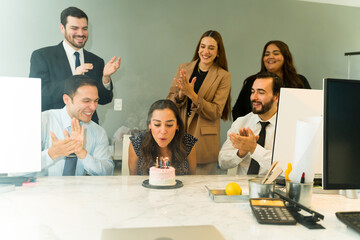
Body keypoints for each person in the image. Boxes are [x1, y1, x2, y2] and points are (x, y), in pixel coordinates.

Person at [30, 6, 121, 124]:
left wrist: (105, 78)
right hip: (53, 127)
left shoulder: (97, 61)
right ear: (62, 28)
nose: (81, 33)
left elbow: (105, 99)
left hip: (88, 130)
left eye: (84, 29)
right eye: (74, 28)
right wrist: (73, 78)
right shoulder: (42, 56)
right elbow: (39, 96)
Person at [167, 30, 231, 175]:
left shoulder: (223, 76)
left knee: (201, 189)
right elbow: (168, 104)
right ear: (198, 48)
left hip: (204, 142)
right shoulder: (183, 68)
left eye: (211, 48)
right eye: (202, 46)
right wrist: (181, 94)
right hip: (178, 136)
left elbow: (216, 111)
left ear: (218, 52)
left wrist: (192, 95)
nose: (205, 51)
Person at [41, 75, 114, 176]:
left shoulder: (98, 131)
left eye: (96, 101)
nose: (93, 107)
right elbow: (17, 169)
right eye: (86, 101)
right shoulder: (43, 121)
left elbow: (107, 172)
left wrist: (82, 154)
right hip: (42, 191)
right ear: (67, 100)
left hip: (80, 191)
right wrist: (51, 154)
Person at [219, 72, 283, 175]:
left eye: (261, 92)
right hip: (243, 188)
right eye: (253, 92)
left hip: (274, 188)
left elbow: (285, 167)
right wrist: (240, 152)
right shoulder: (241, 123)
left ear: (276, 97)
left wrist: (253, 148)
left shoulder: (288, 126)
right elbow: (222, 163)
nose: (254, 97)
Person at [232, 40, 310, 121]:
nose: (270, 57)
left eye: (276, 53)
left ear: (285, 57)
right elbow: (238, 110)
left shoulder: (299, 81)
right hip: (257, 131)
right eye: (267, 54)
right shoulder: (252, 82)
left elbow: (309, 109)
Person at [128, 99, 197, 175]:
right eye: (157, 124)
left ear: (177, 125)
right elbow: (132, 179)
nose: (163, 131)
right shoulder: (137, 142)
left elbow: (192, 178)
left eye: (169, 125)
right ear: (149, 125)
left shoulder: (188, 142)